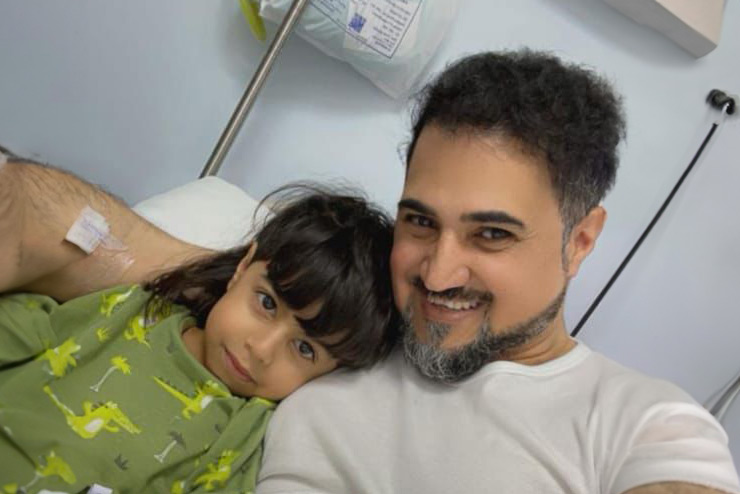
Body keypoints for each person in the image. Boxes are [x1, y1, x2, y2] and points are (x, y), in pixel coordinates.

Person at [254, 51, 740, 494]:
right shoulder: (332, 328)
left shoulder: (646, 425)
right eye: (421, 222)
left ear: (579, 242)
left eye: (491, 234)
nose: (438, 276)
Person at [0, 173, 399, 493]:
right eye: (266, 303)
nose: (261, 350)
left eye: (305, 349)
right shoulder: (127, 309)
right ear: (242, 268)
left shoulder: (243, 435)